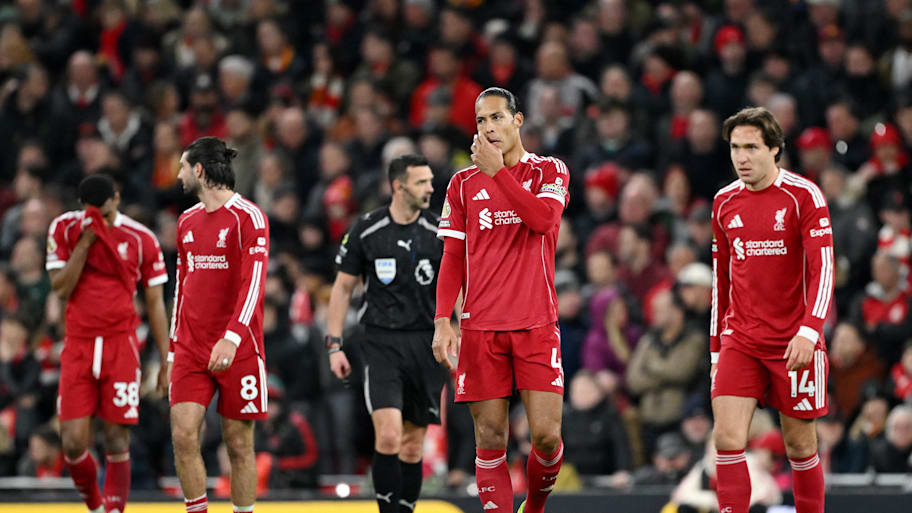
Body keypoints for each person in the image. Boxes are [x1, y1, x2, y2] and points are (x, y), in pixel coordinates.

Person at [433, 87, 570, 513]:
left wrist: (498, 174)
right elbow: (452, 256)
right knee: (490, 438)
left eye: (496, 118)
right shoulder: (461, 184)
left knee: (546, 438)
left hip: (536, 321)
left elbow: (543, 220)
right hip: (481, 326)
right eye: (480, 121)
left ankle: (535, 506)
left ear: (518, 120)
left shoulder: (550, 170)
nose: (488, 128)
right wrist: (442, 321)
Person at [711, 107, 833, 513]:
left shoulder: (803, 196)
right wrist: (716, 348)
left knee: (800, 444)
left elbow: (823, 268)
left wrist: (810, 330)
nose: (741, 157)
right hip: (741, 339)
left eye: (751, 147)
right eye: (734, 148)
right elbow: (721, 280)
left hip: (794, 341)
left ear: (775, 149)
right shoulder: (724, 202)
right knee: (727, 438)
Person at [46, 173, 170, 513]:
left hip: (121, 345)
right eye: (92, 211)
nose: (99, 218)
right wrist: (85, 244)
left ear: (117, 199)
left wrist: (166, 359)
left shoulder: (141, 238)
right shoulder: (65, 230)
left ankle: (114, 510)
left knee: (117, 438)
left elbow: (156, 302)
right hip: (79, 345)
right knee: (72, 443)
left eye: (104, 211)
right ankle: (95, 504)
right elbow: (60, 288)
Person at [327, 153, 444, 513]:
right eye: (422, 182)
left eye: (430, 181)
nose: (430, 188)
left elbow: (453, 288)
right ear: (398, 186)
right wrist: (334, 345)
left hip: (425, 344)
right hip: (381, 342)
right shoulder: (367, 229)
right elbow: (343, 288)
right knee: (390, 435)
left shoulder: (439, 231)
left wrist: (457, 332)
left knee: (412, 446)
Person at [169, 137, 269, 513]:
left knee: (239, 445)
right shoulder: (186, 221)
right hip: (190, 347)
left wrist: (231, 337)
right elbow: (182, 285)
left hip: (239, 348)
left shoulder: (249, 217)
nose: (178, 175)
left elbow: (254, 283)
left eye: (182, 166)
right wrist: (171, 348)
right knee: (182, 435)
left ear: (198, 170)